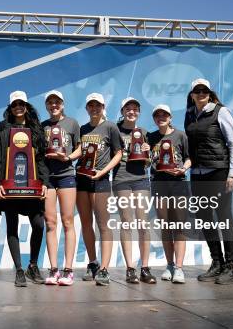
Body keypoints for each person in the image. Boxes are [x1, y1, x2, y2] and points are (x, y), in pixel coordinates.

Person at [184, 79, 233, 284]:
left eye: (204, 91)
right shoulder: (189, 115)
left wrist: (232, 173)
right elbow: (190, 149)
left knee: (224, 217)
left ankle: (231, 266)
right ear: (192, 94)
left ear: (209, 93)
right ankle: (217, 263)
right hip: (197, 175)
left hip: (218, 172)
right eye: (197, 91)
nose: (201, 93)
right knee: (205, 218)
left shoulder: (221, 111)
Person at [0, 91, 49, 287]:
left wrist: (45, 184)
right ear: (10, 107)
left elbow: (41, 159)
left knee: (39, 225)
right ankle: (19, 270)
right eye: (15, 103)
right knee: (12, 226)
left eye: (21, 103)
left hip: (32, 186)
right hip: (10, 186)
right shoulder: (3, 128)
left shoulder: (35, 128)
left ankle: (33, 265)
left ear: (26, 106)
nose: (18, 106)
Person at [76, 93, 123, 286]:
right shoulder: (83, 129)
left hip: (101, 179)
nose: (94, 108)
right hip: (82, 179)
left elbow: (119, 153)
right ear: (87, 108)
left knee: (103, 225)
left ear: (103, 107)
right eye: (91, 105)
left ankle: (104, 269)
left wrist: (103, 171)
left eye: (98, 105)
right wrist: (69, 159)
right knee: (86, 224)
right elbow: (79, 151)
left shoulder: (111, 127)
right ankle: (93, 263)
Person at [113, 97, 155, 284]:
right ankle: (130, 268)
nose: (132, 112)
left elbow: (147, 163)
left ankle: (145, 268)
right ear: (122, 111)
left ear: (139, 112)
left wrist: (149, 153)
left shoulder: (144, 132)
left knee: (143, 223)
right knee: (126, 222)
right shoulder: (114, 130)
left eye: (135, 109)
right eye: (128, 109)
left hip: (140, 179)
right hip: (121, 179)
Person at [41, 90, 81, 285]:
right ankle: (54, 268)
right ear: (47, 106)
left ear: (62, 104)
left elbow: (80, 148)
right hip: (48, 178)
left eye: (57, 102)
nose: (54, 105)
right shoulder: (42, 126)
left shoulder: (72, 123)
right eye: (50, 102)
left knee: (67, 222)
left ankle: (68, 270)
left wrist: (68, 158)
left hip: (66, 175)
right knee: (50, 223)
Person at [148, 104, 191, 284]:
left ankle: (179, 268)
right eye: (157, 115)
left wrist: (183, 169)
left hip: (178, 183)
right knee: (165, 226)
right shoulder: (149, 137)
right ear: (154, 119)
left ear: (170, 117)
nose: (161, 118)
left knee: (179, 226)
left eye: (164, 115)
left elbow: (189, 158)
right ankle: (170, 264)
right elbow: (144, 157)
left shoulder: (180, 135)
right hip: (159, 184)